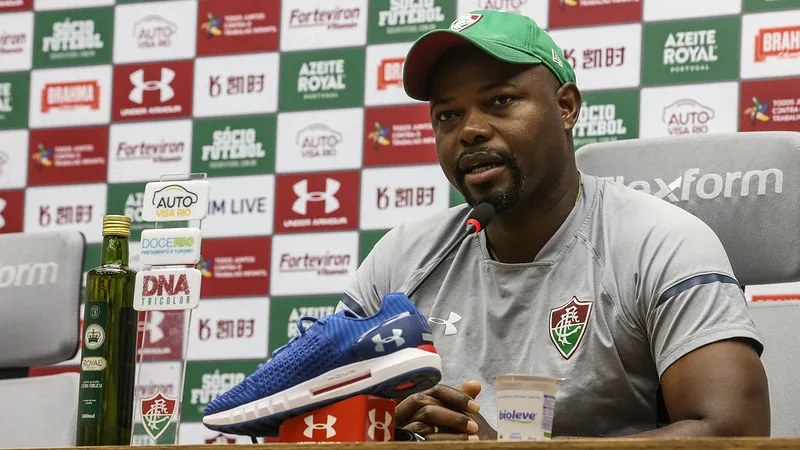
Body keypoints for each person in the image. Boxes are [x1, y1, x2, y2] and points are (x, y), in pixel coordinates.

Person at [337, 9, 771, 441]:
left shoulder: (660, 242)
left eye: (500, 101)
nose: (469, 130)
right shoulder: (402, 258)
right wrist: (384, 428)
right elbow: (315, 408)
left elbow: (734, 433)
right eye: (447, 115)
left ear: (565, 107)